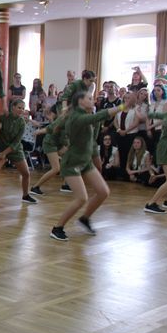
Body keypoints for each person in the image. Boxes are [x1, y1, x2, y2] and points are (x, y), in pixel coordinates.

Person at [49, 91, 122, 241]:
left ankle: (85, 219)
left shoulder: (80, 114)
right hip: (72, 163)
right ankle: (57, 228)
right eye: (89, 98)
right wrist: (123, 106)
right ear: (80, 101)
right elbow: (99, 116)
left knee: (103, 192)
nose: (92, 100)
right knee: (81, 198)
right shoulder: (77, 117)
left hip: (85, 161)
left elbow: (56, 127)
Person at [0, 99, 37, 205]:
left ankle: (25, 195)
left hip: (15, 149)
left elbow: (17, 142)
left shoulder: (22, 122)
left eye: (23, 108)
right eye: (19, 108)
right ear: (12, 107)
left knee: (26, 173)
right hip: (0, 148)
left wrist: (5, 153)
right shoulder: (3, 117)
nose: (21, 110)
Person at [30, 105, 66, 194]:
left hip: (58, 143)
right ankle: (35, 187)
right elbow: (50, 128)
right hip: (50, 143)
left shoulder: (66, 118)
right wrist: (39, 131)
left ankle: (66, 185)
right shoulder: (62, 118)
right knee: (56, 168)